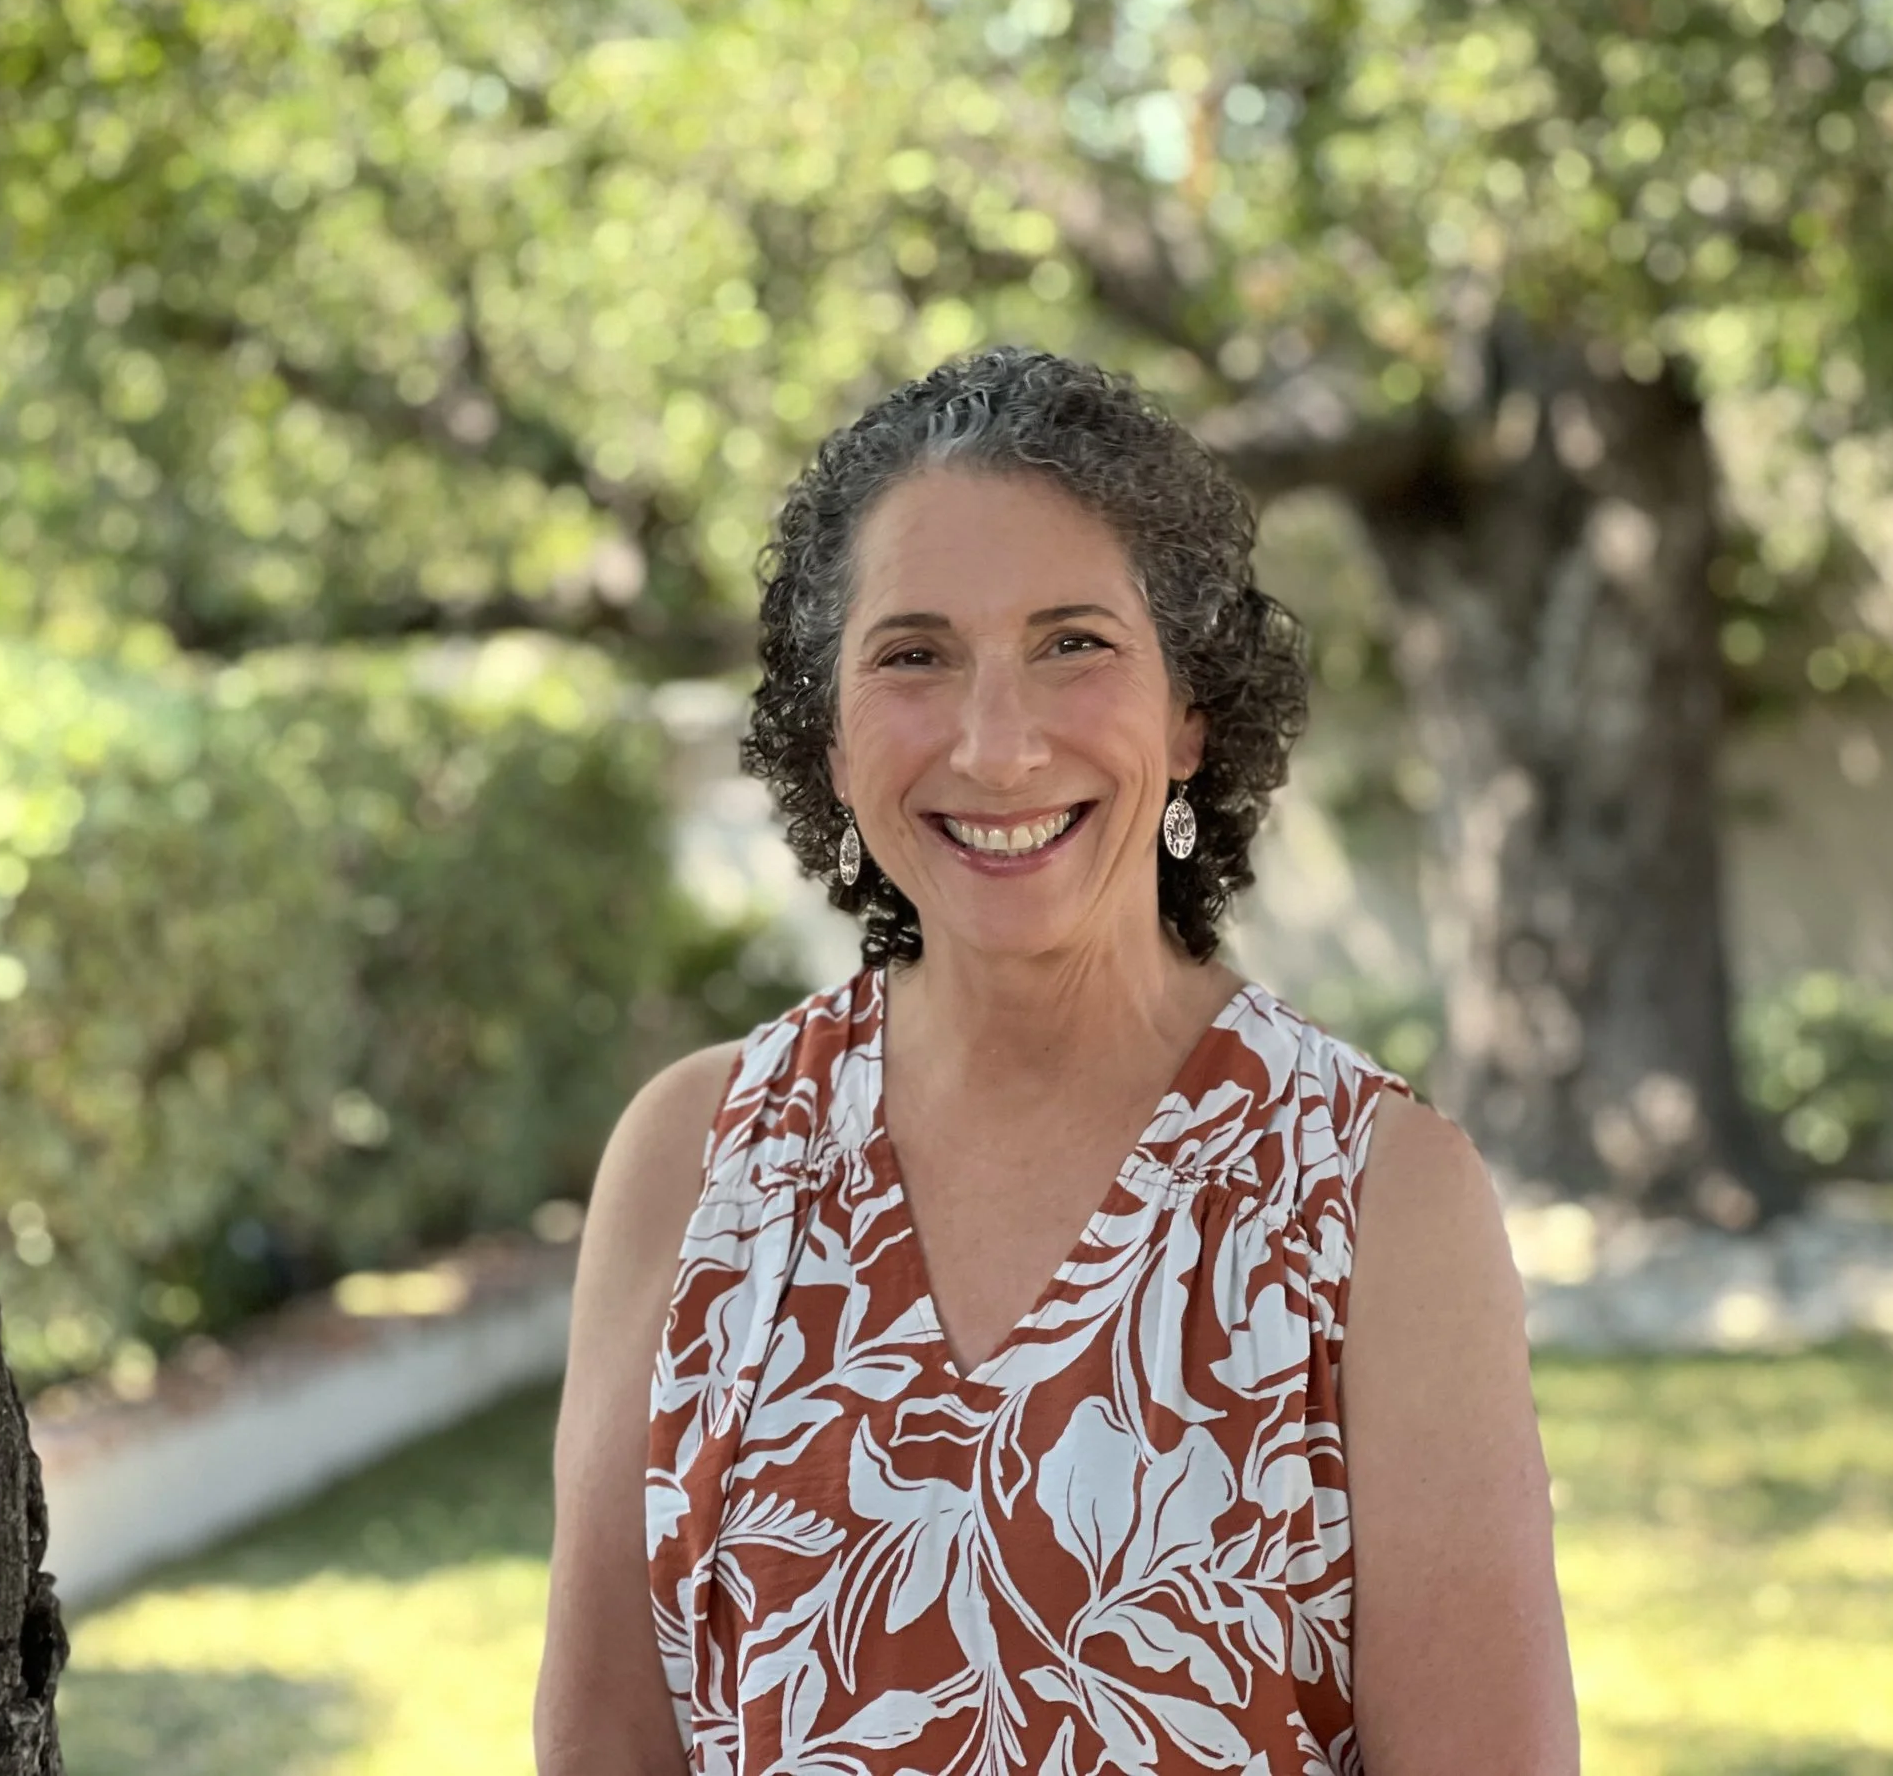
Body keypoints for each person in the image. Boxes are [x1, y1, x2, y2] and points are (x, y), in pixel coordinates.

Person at [536, 347, 1577, 1774]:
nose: (997, 741)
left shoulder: (1374, 1200)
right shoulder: (696, 1161)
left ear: (1190, 712)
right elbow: (602, 1747)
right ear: (830, 738)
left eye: (1074, 642)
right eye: (913, 655)